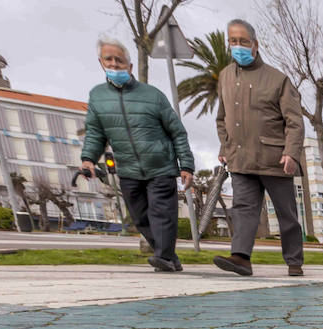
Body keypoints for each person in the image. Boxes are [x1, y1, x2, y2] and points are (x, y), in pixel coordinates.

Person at [81, 38, 195, 272]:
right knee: (141, 217)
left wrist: (186, 165)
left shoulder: (153, 95)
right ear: (101, 63)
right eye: (109, 59)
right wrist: (89, 159)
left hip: (160, 165)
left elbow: (177, 131)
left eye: (119, 60)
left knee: (161, 213)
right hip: (129, 168)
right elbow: (95, 133)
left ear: (130, 66)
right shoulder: (98, 97)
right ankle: (168, 256)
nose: (114, 64)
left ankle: (163, 257)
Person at [213, 18, 305, 278]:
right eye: (233, 41)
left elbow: (295, 122)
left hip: (275, 159)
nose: (238, 46)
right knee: (242, 208)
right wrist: (225, 144)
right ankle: (241, 258)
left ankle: (294, 261)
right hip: (240, 159)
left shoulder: (278, 79)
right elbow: (222, 118)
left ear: (255, 44)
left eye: (243, 41)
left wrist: (291, 152)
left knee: (287, 214)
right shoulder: (225, 77)